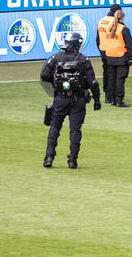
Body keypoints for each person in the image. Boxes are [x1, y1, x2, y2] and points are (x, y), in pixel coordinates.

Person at [39, 32, 101, 169]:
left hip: (60, 98)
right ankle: (72, 160)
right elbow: (93, 83)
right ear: (77, 45)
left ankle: (49, 157)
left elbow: (44, 75)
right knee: (75, 130)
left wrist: (57, 85)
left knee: (55, 126)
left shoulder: (56, 57)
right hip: (78, 99)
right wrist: (97, 100)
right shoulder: (84, 60)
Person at [96, 4, 132, 106]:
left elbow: (98, 39)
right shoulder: (121, 27)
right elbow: (129, 43)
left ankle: (109, 97)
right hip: (119, 54)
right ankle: (118, 99)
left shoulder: (102, 22)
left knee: (109, 77)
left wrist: (102, 51)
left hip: (107, 52)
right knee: (119, 78)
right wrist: (131, 57)